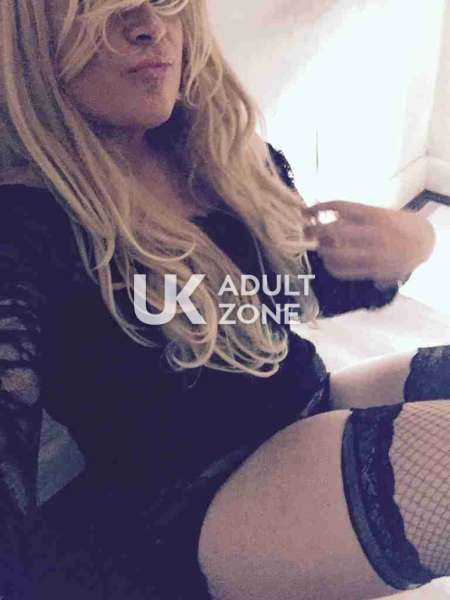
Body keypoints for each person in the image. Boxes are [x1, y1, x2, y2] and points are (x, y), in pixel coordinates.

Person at [0, 1, 448, 599]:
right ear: (38, 38)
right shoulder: (25, 227)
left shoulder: (224, 156)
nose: (149, 26)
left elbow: (297, 293)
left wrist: (410, 244)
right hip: (195, 503)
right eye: (105, 7)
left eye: (166, 3)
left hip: (302, 405)